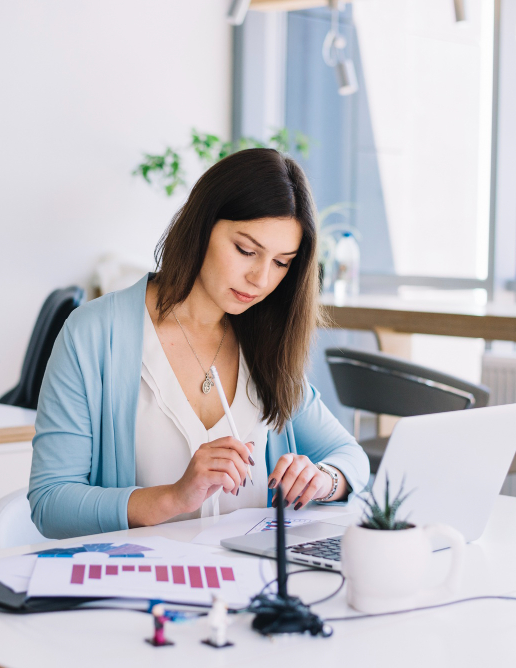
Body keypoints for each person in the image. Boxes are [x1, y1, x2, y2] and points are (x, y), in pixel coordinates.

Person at [28, 148, 369, 538]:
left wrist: (323, 479)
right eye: (246, 250)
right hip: (139, 586)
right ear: (201, 225)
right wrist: (173, 497)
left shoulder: (266, 341)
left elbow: (351, 458)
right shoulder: (93, 334)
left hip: (254, 585)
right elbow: (51, 501)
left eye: (281, 262)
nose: (261, 278)